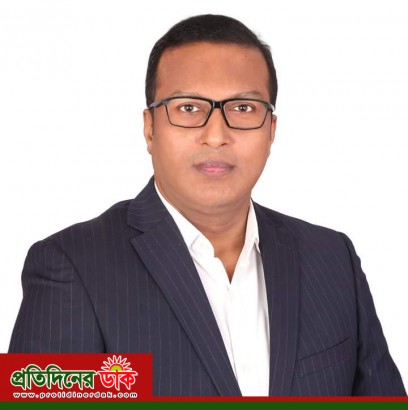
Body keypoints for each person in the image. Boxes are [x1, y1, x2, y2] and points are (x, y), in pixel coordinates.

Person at [9, 14, 406, 397]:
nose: (216, 135)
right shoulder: (71, 268)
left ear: (271, 130)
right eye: (188, 108)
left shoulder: (332, 259)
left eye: (243, 108)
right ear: (150, 128)